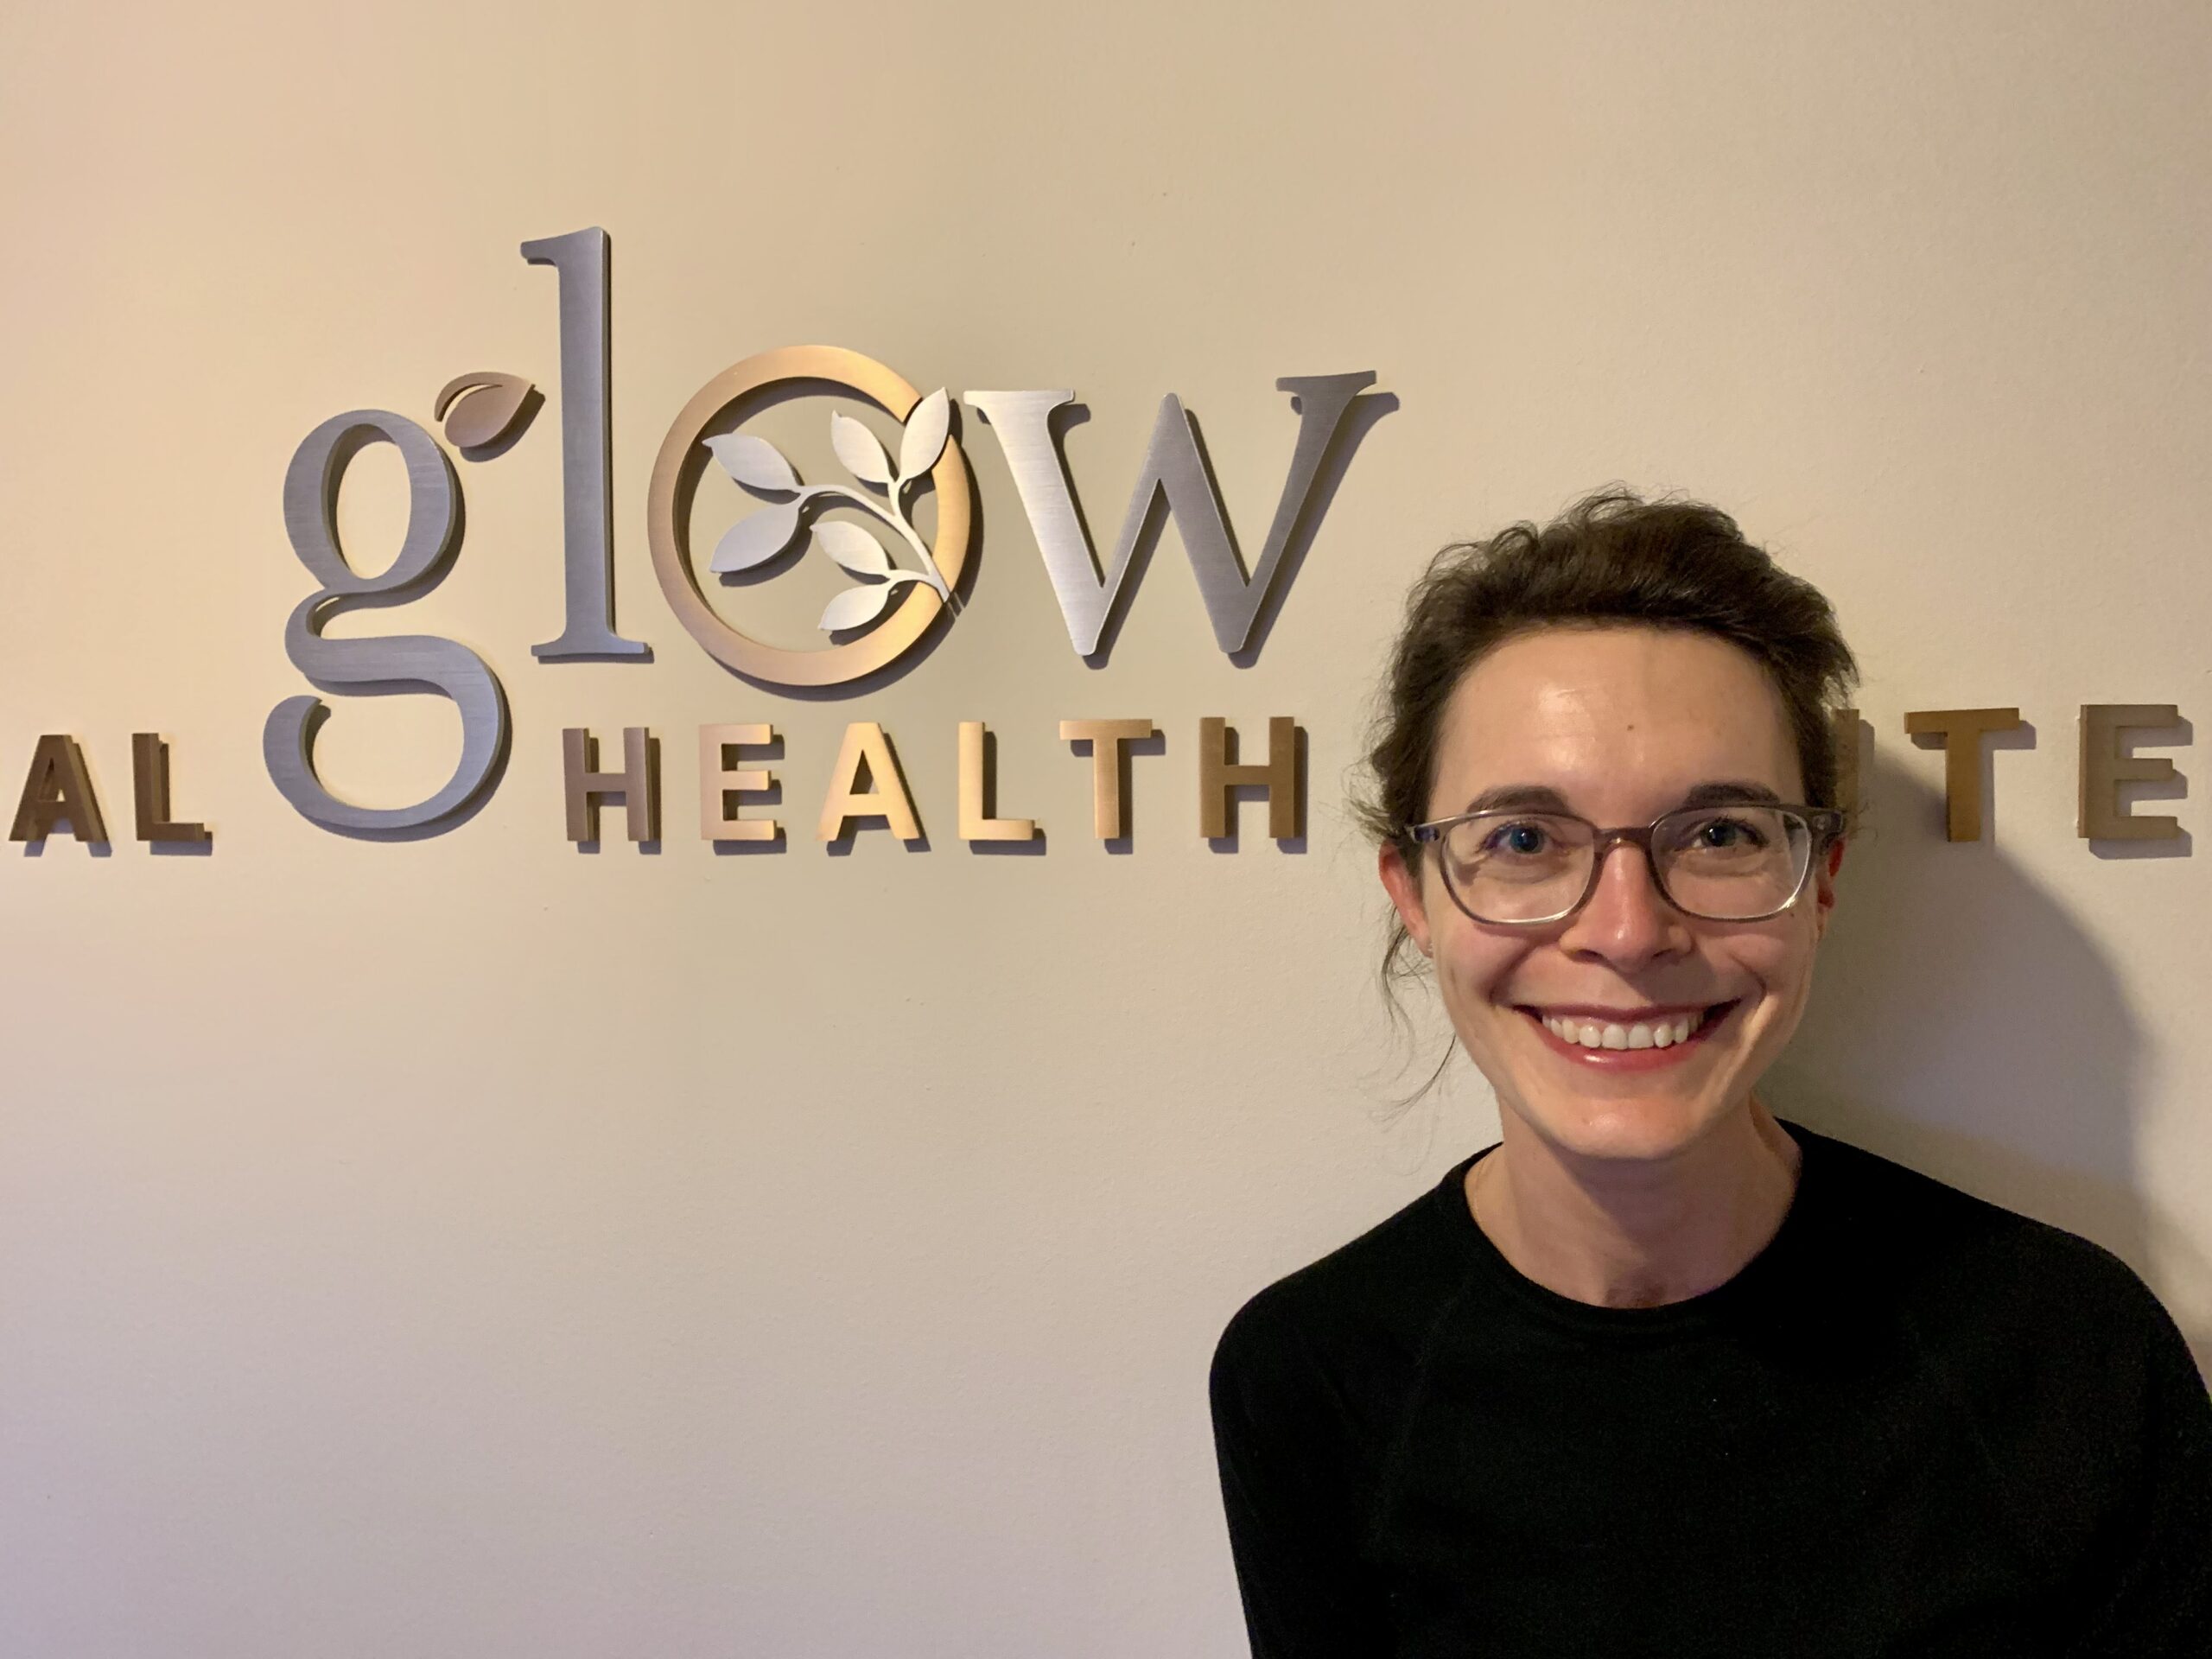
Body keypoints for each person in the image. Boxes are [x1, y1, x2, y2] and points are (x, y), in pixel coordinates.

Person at [1208, 490, 2212, 1656]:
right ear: (1415, 895)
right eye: (1524, 841)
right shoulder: (1312, 1376)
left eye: (1721, 834)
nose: (1629, 934)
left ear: (1821, 882)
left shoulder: (2068, 1355)